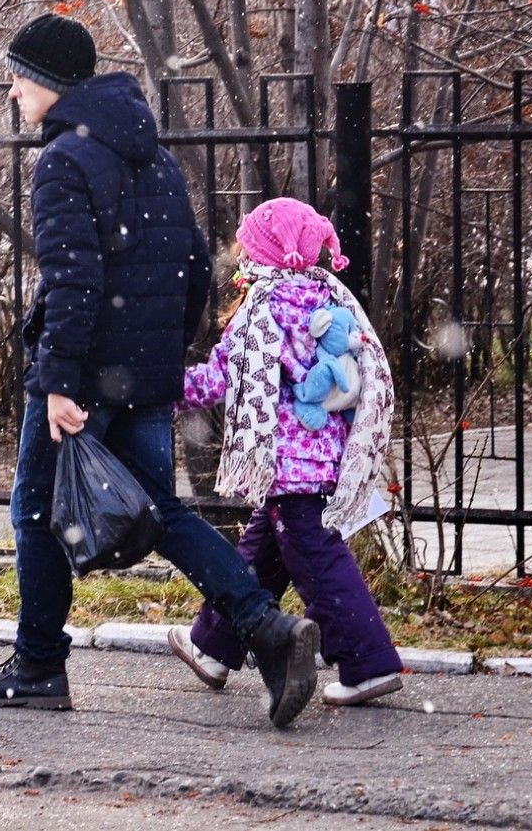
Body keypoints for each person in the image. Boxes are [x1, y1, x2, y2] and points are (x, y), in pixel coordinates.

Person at [0, 13, 322, 730]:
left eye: (18, 78)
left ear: (49, 82)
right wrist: (162, 355)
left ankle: (37, 665)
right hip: (145, 371)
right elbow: (190, 264)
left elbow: (74, 278)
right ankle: (268, 629)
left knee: (35, 511)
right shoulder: (151, 152)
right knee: (163, 512)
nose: (11, 92)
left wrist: (59, 380)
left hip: (85, 373)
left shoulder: (63, 160)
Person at [167, 199, 404, 707]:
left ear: (266, 255)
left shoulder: (263, 309)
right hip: (324, 457)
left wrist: (160, 387)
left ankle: (368, 663)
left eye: (249, 249)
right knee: (263, 553)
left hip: (289, 466)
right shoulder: (327, 296)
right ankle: (213, 645)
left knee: (318, 561)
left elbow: (219, 380)